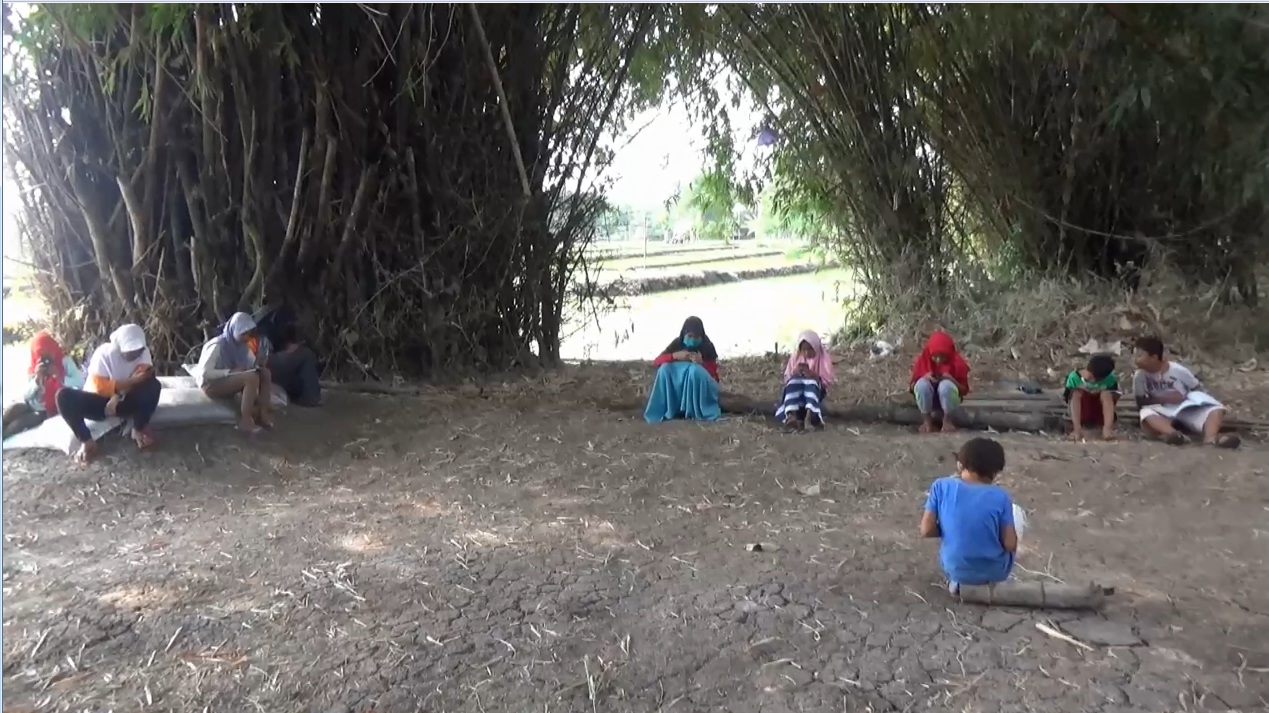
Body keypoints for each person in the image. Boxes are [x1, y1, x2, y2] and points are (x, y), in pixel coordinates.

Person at [920, 437, 1018, 595]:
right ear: (996, 471)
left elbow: (926, 530)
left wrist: (950, 528)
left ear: (960, 464)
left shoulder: (941, 486)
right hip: (996, 572)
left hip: (955, 569)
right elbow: (1010, 544)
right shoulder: (1001, 496)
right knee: (1016, 516)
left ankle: (957, 582)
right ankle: (995, 581)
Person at [56, 324, 162, 464]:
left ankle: (138, 428)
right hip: (99, 402)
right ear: (120, 347)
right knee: (63, 396)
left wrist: (117, 395)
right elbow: (100, 387)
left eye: (138, 350)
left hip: (125, 401)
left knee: (153, 385)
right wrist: (123, 387)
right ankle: (87, 441)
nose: (135, 354)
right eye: (130, 351)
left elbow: (142, 379)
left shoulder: (144, 353)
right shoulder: (104, 354)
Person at [1130, 336, 1239, 448]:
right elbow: (1140, 403)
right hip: (1162, 411)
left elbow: (1197, 388)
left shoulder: (1177, 370)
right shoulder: (1140, 376)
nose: (1135, 359)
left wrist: (1194, 402)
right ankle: (1175, 435)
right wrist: (1165, 399)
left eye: (1139, 356)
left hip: (1185, 407)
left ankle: (1210, 439)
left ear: (1153, 357)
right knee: (1146, 413)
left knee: (1215, 409)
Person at [195, 312, 274, 435]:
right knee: (251, 378)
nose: (246, 337)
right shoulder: (217, 345)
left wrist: (259, 364)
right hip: (211, 384)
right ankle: (245, 421)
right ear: (234, 330)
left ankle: (263, 413)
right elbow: (205, 373)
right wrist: (230, 372)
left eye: (249, 334)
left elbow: (251, 363)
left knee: (265, 373)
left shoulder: (242, 346)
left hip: (230, 379)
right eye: (243, 334)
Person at [3, 332, 86, 438]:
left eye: (47, 353)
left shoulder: (65, 362)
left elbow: (81, 382)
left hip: (48, 410)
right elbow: (26, 396)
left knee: (19, 423)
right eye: (40, 354)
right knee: (12, 410)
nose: (45, 359)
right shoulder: (34, 367)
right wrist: (37, 379)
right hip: (32, 403)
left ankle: (4, 436)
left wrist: (59, 376)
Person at [644, 316, 721, 423]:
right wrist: (674, 356)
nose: (693, 340)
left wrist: (702, 363)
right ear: (684, 334)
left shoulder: (707, 347)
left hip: (699, 387)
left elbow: (714, 378)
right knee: (665, 368)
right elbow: (657, 361)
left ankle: (694, 410)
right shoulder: (677, 344)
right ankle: (667, 409)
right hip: (678, 386)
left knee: (695, 371)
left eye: (697, 337)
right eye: (690, 336)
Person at [252, 305, 322, 407]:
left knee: (304, 363)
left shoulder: (281, 326)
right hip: (263, 361)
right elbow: (265, 355)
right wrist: (290, 352)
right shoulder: (265, 328)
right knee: (306, 354)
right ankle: (310, 398)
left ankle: (307, 396)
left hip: (269, 361)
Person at [910, 331, 971, 434]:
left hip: (950, 401)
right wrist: (924, 377)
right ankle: (927, 421)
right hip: (929, 400)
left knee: (945, 386)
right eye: (935, 356)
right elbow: (912, 388)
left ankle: (947, 420)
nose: (938, 360)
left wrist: (951, 379)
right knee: (921, 385)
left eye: (943, 356)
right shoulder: (923, 360)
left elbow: (964, 390)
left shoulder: (957, 363)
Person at [775, 330, 834, 430]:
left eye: (810, 349)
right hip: (797, 389)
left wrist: (814, 375)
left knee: (811, 382)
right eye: (803, 349)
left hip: (816, 390)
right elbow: (787, 377)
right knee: (793, 382)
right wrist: (795, 373)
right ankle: (791, 415)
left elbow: (826, 381)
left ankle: (809, 417)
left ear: (816, 347)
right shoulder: (796, 357)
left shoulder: (823, 358)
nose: (806, 353)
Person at [1063, 354, 1120, 441]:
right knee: (1076, 393)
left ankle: (1107, 428)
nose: (1091, 380)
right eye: (1089, 377)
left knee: (1106, 394)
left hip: (1100, 412)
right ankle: (1077, 429)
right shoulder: (1074, 377)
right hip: (1082, 411)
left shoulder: (1110, 379)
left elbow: (1114, 397)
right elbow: (1067, 398)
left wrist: (1099, 391)